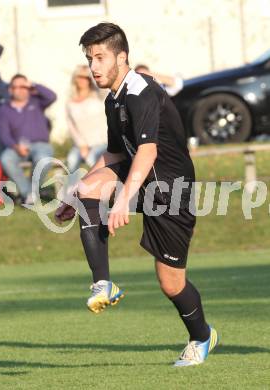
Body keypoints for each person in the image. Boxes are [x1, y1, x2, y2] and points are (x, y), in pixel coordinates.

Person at [55, 22, 218, 367]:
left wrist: (125, 200)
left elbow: (147, 152)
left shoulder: (140, 91)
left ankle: (201, 336)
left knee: (171, 283)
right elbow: (115, 154)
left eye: (100, 57)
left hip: (171, 190)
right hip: (140, 176)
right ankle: (103, 284)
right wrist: (76, 191)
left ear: (122, 56)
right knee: (87, 189)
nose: (94, 67)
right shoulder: (114, 100)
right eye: (89, 59)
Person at [0, 74, 56, 204]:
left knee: (44, 160)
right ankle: (28, 194)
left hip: (41, 145)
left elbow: (52, 96)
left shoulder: (37, 101)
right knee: (6, 159)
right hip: (17, 146)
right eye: (16, 86)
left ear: (28, 88)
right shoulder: (4, 109)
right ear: (10, 89)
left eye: (23, 86)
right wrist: (16, 147)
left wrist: (33, 84)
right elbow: (4, 134)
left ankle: (30, 195)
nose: (20, 89)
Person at [66, 65, 107, 175]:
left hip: (103, 142)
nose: (82, 80)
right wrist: (82, 145)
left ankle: (100, 188)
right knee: (71, 160)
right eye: (79, 77)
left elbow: (101, 84)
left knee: (91, 158)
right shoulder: (70, 102)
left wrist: (90, 72)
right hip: (82, 145)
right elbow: (72, 127)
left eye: (86, 77)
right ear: (75, 79)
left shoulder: (99, 96)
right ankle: (72, 190)